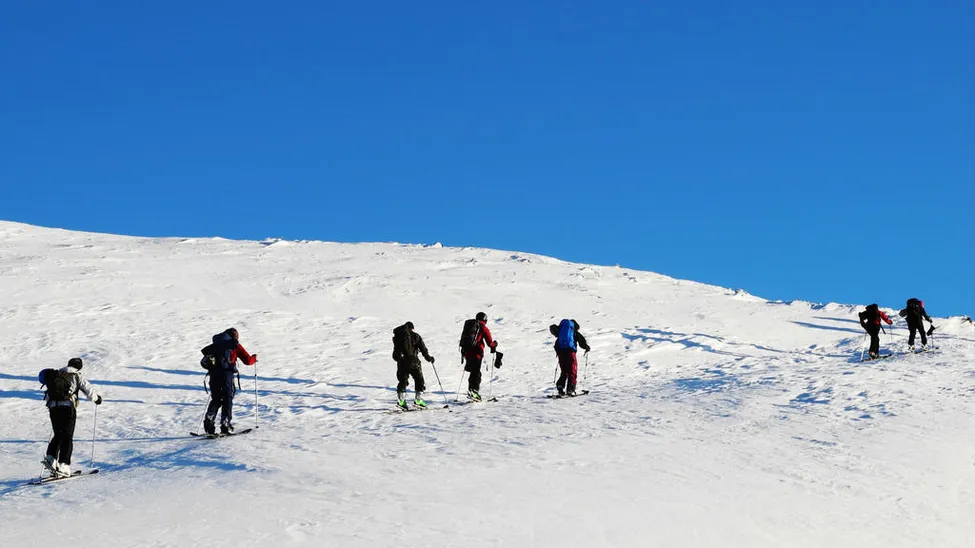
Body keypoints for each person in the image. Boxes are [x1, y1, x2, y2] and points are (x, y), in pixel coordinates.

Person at [40, 358, 102, 478]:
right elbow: (89, 391)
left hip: (53, 408)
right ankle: (64, 465)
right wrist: (97, 399)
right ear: (79, 367)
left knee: (58, 434)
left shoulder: (57, 374)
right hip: (67, 408)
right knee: (67, 436)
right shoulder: (77, 375)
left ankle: (51, 457)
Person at [200, 328, 257, 435]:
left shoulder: (215, 344)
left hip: (213, 374)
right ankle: (225, 424)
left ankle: (209, 420)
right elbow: (248, 361)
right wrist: (254, 358)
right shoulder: (234, 345)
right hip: (227, 374)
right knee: (227, 398)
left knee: (216, 398)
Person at [392, 322, 435, 409]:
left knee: (402, 381)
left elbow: (396, 353)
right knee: (419, 380)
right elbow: (423, 350)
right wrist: (429, 358)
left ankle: (401, 401)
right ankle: (418, 400)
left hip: (402, 362)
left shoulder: (398, 337)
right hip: (413, 361)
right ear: (411, 328)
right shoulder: (416, 336)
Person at [461, 312, 497, 401]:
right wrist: (494, 344)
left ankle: (471, 390)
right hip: (477, 353)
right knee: (476, 372)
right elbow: (490, 342)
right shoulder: (483, 327)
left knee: (473, 372)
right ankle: (474, 392)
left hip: (467, 352)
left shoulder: (470, 326)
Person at [551, 319, 590, 395]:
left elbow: (556, 343)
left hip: (561, 353)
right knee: (572, 371)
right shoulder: (574, 332)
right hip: (570, 352)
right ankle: (570, 389)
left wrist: (558, 352)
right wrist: (586, 347)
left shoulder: (561, 332)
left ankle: (560, 386)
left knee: (564, 371)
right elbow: (581, 341)